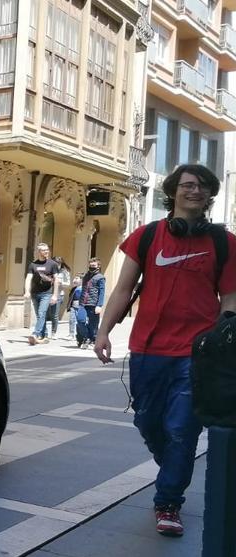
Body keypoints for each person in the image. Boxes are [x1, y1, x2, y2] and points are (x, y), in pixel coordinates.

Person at [95, 164, 236, 537]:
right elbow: (123, 288)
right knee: (149, 422)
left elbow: (230, 298)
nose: (196, 191)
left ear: (209, 196)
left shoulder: (225, 243)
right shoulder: (147, 236)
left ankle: (168, 501)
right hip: (147, 350)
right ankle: (173, 464)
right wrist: (103, 331)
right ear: (172, 192)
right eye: (188, 185)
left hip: (196, 355)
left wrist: (220, 341)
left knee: (181, 431)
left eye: (203, 186)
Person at [23, 243, 60, 345]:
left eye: (47, 250)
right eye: (44, 250)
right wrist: (27, 291)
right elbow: (28, 279)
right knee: (39, 316)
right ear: (38, 252)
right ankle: (43, 336)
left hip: (46, 293)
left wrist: (55, 295)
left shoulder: (52, 264)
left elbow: (56, 280)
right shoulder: (32, 265)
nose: (46, 252)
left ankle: (36, 333)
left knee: (42, 313)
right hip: (35, 293)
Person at [80, 257, 105, 345]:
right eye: (90, 266)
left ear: (98, 266)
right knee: (81, 320)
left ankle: (93, 340)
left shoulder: (100, 278)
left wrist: (99, 305)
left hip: (93, 304)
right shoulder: (86, 276)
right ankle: (86, 337)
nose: (91, 267)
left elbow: (102, 292)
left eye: (93, 266)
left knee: (93, 324)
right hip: (83, 303)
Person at [48, 257, 72, 339]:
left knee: (54, 314)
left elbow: (68, 284)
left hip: (59, 294)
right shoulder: (48, 270)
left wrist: (60, 282)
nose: (57, 265)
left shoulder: (64, 272)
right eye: (55, 263)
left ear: (61, 264)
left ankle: (53, 332)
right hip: (47, 293)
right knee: (43, 313)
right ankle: (42, 332)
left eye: (58, 263)